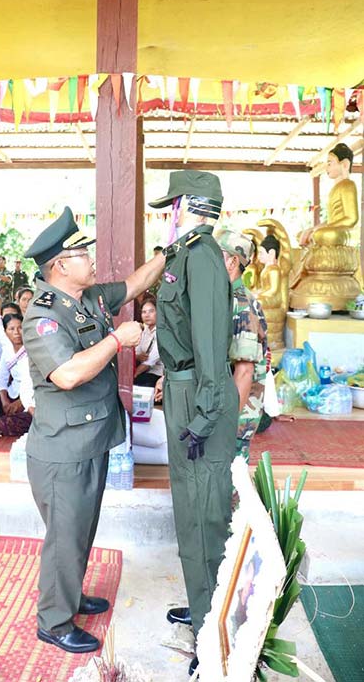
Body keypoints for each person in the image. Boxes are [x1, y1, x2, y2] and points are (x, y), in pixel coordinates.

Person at [22, 206, 165, 654]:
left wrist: (169, 250)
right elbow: (66, 374)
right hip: (63, 450)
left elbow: (137, 283)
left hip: (91, 440)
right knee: (65, 537)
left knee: (81, 528)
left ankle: (71, 593)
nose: (91, 259)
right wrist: (116, 340)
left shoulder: (90, 298)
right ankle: (54, 620)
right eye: (82, 254)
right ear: (60, 267)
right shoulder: (43, 316)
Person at [149, 170, 238, 677]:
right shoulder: (186, 254)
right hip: (185, 390)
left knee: (205, 514)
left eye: (172, 205)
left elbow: (208, 343)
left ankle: (216, 636)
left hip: (200, 395)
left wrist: (204, 414)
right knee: (189, 509)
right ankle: (204, 604)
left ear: (188, 205)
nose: (168, 214)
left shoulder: (202, 257)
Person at [216, 229, 269, 463]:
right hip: (225, 407)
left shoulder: (242, 305)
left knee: (231, 476)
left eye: (216, 255)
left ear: (232, 262)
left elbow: (245, 370)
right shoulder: (226, 298)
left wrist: (227, 424)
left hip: (236, 416)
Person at [0, 314, 32, 437]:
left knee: (4, 424)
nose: (16, 332)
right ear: (5, 332)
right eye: (11, 329)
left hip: (31, 398)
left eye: (20, 328)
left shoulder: (33, 349)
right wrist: (5, 401)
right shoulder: (7, 350)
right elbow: (1, 378)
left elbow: (38, 383)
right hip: (13, 393)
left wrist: (22, 402)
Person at [134, 297, 163, 388]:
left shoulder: (162, 331)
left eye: (151, 311)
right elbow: (137, 351)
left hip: (157, 374)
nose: (147, 315)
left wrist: (133, 375)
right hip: (143, 372)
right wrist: (138, 356)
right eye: (144, 312)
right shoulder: (143, 330)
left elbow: (150, 361)